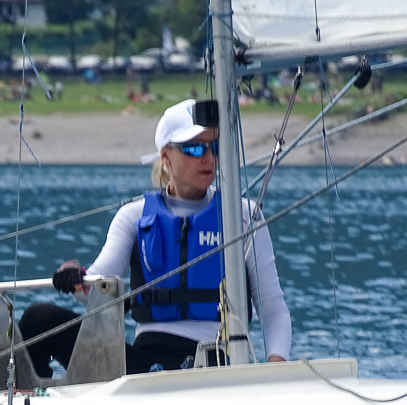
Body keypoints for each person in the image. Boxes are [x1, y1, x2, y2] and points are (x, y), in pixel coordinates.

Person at [19, 98, 291, 376]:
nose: (208, 158)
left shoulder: (243, 215)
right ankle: (28, 394)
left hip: (217, 368)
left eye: (215, 147)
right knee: (37, 319)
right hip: (145, 366)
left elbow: (273, 309)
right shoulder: (133, 216)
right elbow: (95, 291)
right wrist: (74, 276)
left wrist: (276, 371)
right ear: (166, 156)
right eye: (194, 149)